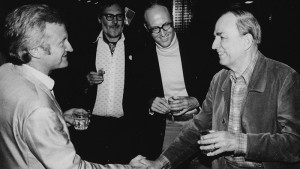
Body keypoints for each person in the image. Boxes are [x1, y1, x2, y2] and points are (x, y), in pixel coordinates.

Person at [138, 7, 300, 169]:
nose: (214, 45)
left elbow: (295, 143)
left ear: (246, 42)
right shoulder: (219, 79)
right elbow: (197, 129)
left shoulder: (284, 78)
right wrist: (160, 163)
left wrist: (238, 142)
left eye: (222, 38)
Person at [0, 4, 146, 169]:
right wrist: (131, 167)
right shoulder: (40, 111)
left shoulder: (4, 72)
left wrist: (60, 118)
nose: (70, 47)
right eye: (62, 42)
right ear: (36, 51)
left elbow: (21, 124)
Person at [135, 2, 211, 168]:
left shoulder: (198, 47)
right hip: (166, 127)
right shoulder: (141, 56)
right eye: (155, 29)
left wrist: (196, 100)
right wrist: (150, 102)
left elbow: (215, 84)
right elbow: (134, 95)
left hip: (200, 123)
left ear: (173, 21)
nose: (163, 33)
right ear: (146, 28)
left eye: (166, 25)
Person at [70, 0, 144, 164]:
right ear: (99, 19)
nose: (115, 21)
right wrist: (86, 81)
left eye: (118, 16)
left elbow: (143, 86)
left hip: (126, 129)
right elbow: (69, 84)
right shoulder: (85, 47)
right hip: (92, 128)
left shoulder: (137, 46)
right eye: (109, 16)